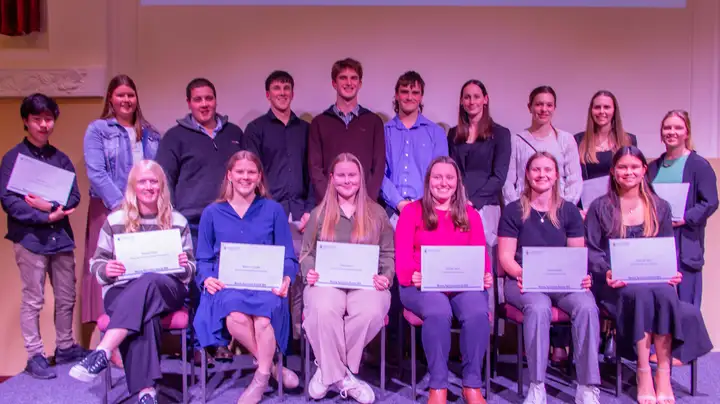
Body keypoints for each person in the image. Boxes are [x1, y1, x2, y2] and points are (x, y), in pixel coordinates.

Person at [586, 146, 713, 404]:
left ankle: (663, 374)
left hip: (655, 282)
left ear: (644, 170)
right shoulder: (600, 207)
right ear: (613, 171)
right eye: (622, 167)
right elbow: (592, 251)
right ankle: (644, 372)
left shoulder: (660, 207)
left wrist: (671, 272)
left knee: (666, 292)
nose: (628, 172)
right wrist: (607, 271)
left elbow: (667, 249)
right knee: (641, 293)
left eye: (634, 167)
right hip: (614, 283)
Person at [69, 160, 195, 404]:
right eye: (143, 181)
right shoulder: (115, 219)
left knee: (148, 282)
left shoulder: (178, 221)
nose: (149, 186)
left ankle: (104, 349)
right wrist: (108, 268)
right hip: (123, 290)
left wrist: (183, 265)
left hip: (167, 289)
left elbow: (191, 268)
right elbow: (96, 264)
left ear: (162, 186)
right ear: (133, 187)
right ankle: (147, 393)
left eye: (154, 181)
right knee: (145, 312)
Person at [193, 151, 299, 404]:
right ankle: (273, 368)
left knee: (264, 320)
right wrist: (206, 278)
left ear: (259, 176)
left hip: (266, 284)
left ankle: (260, 379)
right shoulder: (212, 212)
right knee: (236, 317)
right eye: (239, 171)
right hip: (229, 285)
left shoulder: (273, 210)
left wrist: (286, 278)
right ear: (229, 175)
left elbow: (288, 256)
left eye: (251, 172)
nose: (245, 177)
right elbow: (203, 259)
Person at [497, 151, 601, 404]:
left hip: (562, 281)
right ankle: (537, 384)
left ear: (556, 176)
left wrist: (581, 276)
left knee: (587, 306)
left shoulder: (569, 212)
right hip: (523, 279)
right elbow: (506, 258)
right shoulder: (513, 211)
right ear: (528, 175)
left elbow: (577, 254)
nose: (542, 175)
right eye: (536, 170)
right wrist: (524, 274)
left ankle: (587, 386)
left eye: (547, 170)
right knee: (539, 307)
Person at [156, 77, 244, 363]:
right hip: (190, 222)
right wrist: (168, 219)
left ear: (216, 100)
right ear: (189, 103)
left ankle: (217, 341)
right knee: (195, 285)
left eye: (209, 98)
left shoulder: (234, 133)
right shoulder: (174, 137)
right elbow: (164, 181)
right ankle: (196, 345)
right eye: (198, 99)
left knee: (224, 284)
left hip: (228, 220)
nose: (204, 104)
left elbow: (245, 172)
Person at [0, 93, 87, 379]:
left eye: (48, 119)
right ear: (26, 121)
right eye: (37, 119)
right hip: (30, 239)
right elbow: (9, 201)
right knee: (33, 298)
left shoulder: (60, 159)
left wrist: (48, 206)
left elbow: (73, 195)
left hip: (60, 237)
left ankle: (65, 347)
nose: (44, 124)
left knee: (66, 296)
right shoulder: (13, 159)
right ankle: (35, 354)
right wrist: (44, 216)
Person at [395, 156, 493, 404]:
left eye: (449, 177)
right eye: (437, 177)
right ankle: (438, 385)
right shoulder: (412, 212)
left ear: (457, 182)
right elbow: (403, 259)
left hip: (462, 285)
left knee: (477, 311)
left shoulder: (470, 214)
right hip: (421, 286)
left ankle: (472, 384)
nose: (443, 182)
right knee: (438, 310)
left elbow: (480, 255)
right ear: (428, 181)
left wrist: (485, 275)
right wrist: (414, 275)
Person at [301, 153, 394, 403]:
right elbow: (306, 254)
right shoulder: (319, 214)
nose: (346, 180)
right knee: (322, 308)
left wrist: (385, 276)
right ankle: (344, 378)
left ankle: (327, 371)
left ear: (360, 178)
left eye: (352, 175)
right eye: (340, 175)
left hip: (366, 284)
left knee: (372, 310)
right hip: (326, 282)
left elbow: (388, 253)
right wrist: (309, 270)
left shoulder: (377, 214)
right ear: (331, 179)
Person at [502, 85, 582, 363]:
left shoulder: (567, 140)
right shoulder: (518, 140)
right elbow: (511, 180)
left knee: (566, 282)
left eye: (549, 104)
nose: (543, 109)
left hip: (557, 210)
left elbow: (573, 179)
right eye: (538, 104)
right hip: (527, 209)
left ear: (554, 108)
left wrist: (558, 207)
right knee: (535, 297)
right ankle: (535, 353)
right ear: (530, 106)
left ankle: (559, 348)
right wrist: (523, 209)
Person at [82, 74, 161, 326]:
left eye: (130, 95)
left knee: (139, 271)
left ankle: (135, 333)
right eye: (120, 95)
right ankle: (111, 339)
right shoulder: (98, 130)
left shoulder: (150, 133)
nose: (126, 100)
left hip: (146, 211)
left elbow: (157, 172)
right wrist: (121, 206)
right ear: (110, 98)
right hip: (110, 208)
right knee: (111, 271)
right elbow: (96, 172)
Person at [244, 70, 314, 341]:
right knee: (272, 279)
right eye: (276, 88)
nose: (282, 92)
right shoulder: (256, 129)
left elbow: (312, 173)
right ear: (267, 94)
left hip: (300, 215)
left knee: (297, 278)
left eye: (287, 88)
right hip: (267, 213)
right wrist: (261, 209)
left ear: (292, 93)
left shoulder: (306, 129)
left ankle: (296, 336)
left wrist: (309, 208)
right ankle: (271, 338)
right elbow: (251, 173)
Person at [447, 79, 511, 322]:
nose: (471, 101)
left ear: (485, 99)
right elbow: (451, 171)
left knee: (486, 269)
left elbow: (500, 176)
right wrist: (460, 202)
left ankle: (488, 326)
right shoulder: (454, 133)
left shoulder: (501, 134)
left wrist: (473, 202)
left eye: (476, 96)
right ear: (462, 102)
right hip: (457, 207)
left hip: (487, 207)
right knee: (461, 267)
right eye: (467, 97)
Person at [647, 110, 718, 308]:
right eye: (667, 127)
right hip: (658, 240)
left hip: (685, 242)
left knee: (686, 306)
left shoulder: (699, 165)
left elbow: (710, 201)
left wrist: (685, 218)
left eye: (678, 127)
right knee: (659, 306)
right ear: (661, 133)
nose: (672, 132)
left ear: (687, 133)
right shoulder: (652, 168)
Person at [309, 58, 385, 202]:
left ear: (360, 84)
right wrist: (331, 201)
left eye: (353, 78)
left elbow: (378, 168)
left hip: (365, 206)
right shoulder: (319, 123)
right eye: (343, 78)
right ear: (334, 83)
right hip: (330, 207)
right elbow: (315, 169)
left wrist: (366, 202)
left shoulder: (374, 122)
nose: (349, 83)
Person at [381, 70, 447, 226]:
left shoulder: (436, 133)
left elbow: (441, 175)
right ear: (396, 95)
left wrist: (419, 206)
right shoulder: (384, 132)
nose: (409, 97)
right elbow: (378, 174)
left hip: (426, 212)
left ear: (421, 97)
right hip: (390, 213)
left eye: (415, 92)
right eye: (404, 92)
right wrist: (399, 203)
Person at [574, 90, 637, 211]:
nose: (602, 111)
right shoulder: (577, 140)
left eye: (607, 107)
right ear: (591, 111)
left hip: (620, 208)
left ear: (614, 111)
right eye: (597, 107)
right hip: (588, 210)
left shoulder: (629, 140)